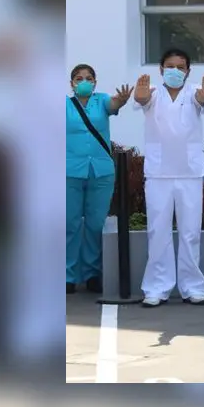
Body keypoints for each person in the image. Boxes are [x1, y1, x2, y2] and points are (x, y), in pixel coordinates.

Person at [133, 48, 204, 308]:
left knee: (190, 232)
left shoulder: (193, 93)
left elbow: (203, 100)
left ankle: (193, 287)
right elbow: (140, 100)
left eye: (181, 67)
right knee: (158, 231)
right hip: (158, 174)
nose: (175, 71)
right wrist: (141, 95)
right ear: (161, 69)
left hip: (189, 172)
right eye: (170, 66)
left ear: (188, 71)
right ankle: (157, 288)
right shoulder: (152, 93)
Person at [66, 64, 133, 294]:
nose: (83, 81)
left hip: (101, 172)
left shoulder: (101, 100)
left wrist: (122, 100)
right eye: (78, 78)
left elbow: (114, 104)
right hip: (69, 172)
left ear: (95, 82)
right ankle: (68, 275)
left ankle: (92, 273)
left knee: (95, 224)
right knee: (70, 224)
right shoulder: (63, 105)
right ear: (71, 83)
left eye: (88, 78)